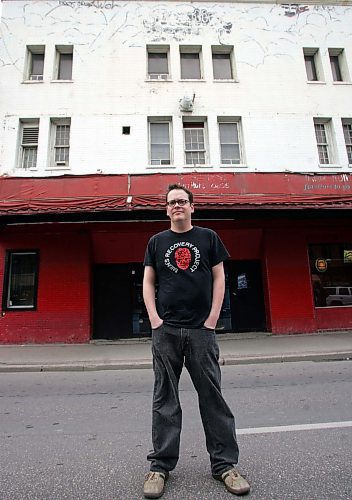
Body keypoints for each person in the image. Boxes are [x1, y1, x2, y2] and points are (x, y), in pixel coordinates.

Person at [142, 184, 250, 498]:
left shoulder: (208, 237)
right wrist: (154, 319)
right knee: (165, 400)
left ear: (192, 206)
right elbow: (149, 282)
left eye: (182, 201)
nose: (177, 206)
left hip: (202, 331)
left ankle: (225, 466)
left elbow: (220, 277)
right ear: (166, 209)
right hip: (166, 331)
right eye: (171, 202)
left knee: (213, 398)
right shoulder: (156, 242)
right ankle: (159, 467)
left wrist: (213, 319)